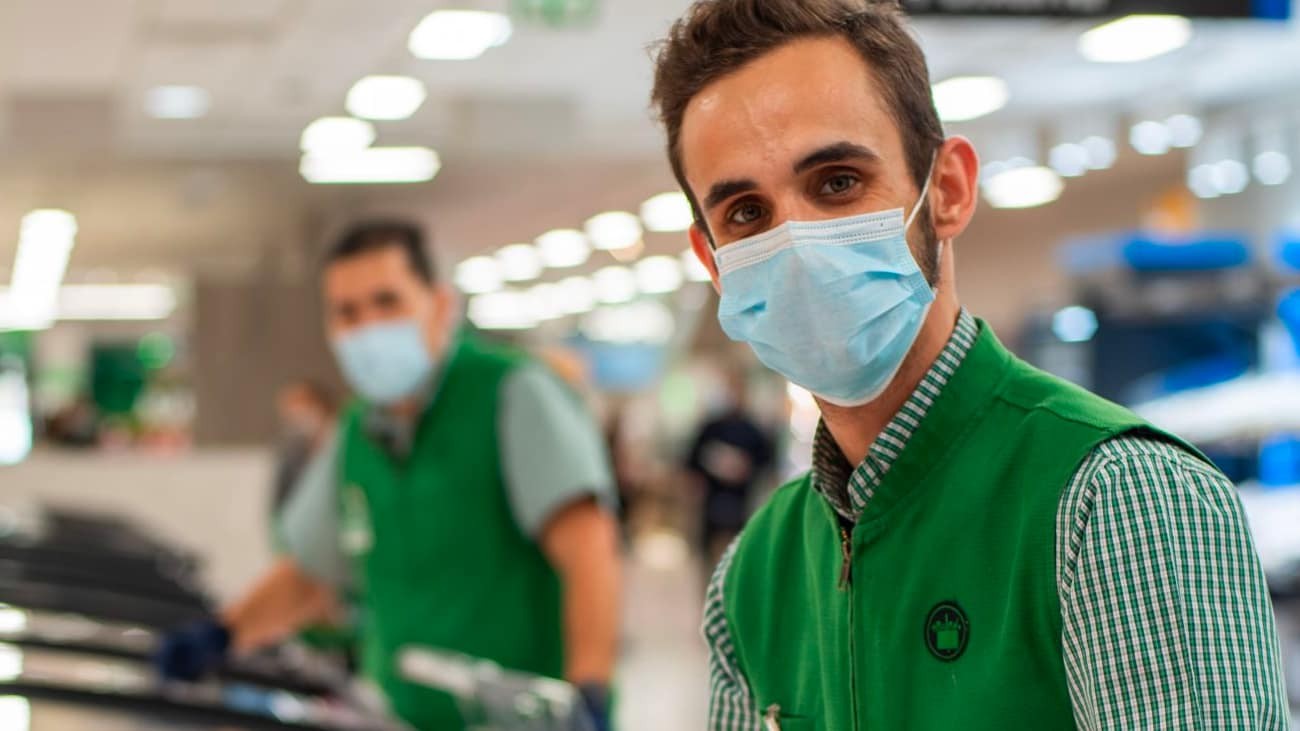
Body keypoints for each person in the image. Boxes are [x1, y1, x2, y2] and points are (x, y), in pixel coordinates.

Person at [649, 2, 1289, 728]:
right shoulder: (754, 576)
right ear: (713, 261)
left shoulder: (1114, 501)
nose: (795, 241)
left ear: (947, 189)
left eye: (836, 182)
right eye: (745, 214)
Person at [157, 221, 622, 731]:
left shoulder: (513, 394)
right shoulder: (356, 431)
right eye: (347, 313)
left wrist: (589, 692)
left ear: (440, 306)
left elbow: (589, 551)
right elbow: (310, 575)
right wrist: (223, 636)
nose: (368, 327)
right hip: (401, 714)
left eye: (387, 302)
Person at [684, 372, 774, 571]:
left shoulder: (754, 430)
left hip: (742, 500)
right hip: (712, 497)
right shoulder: (711, 427)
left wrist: (744, 468)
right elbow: (692, 460)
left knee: (739, 552)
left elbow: (766, 462)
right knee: (709, 554)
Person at [271, 380, 337, 517]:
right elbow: (279, 504)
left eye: (304, 407)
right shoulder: (291, 455)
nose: (299, 419)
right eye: (291, 414)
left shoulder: (344, 444)